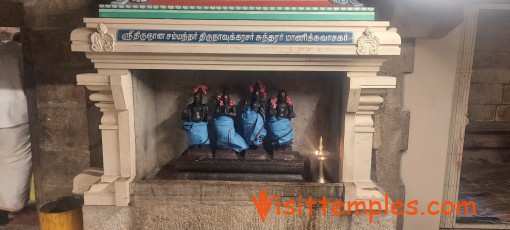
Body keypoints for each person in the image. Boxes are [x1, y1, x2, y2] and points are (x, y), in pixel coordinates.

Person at [0, 32, 32, 219]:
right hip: (14, 114)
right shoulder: (22, 54)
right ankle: (12, 207)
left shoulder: (3, 50)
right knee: (17, 161)